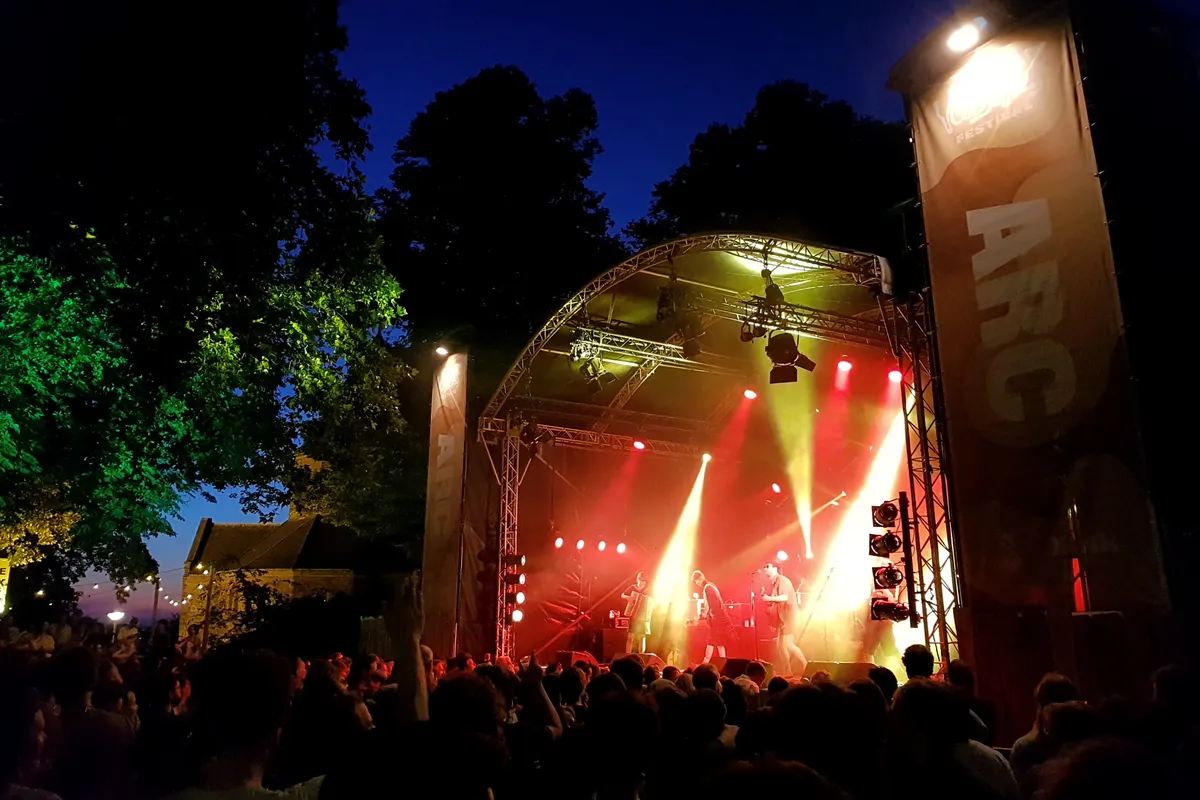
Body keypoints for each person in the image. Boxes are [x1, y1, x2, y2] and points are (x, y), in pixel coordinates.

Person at [762, 562, 807, 677]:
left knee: (788, 644)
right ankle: (788, 671)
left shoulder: (782, 580)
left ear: (775, 568)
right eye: (764, 567)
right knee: (781, 646)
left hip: (789, 617)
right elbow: (776, 604)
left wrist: (769, 598)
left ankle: (806, 666)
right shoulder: (775, 583)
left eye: (767, 566)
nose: (765, 569)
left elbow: (784, 597)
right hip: (783, 619)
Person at [691, 570, 735, 664]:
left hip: (717, 619)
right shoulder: (711, 586)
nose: (697, 583)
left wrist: (704, 616)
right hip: (720, 618)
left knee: (711, 641)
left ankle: (705, 663)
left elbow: (712, 605)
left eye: (696, 581)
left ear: (700, 578)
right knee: (719, 643)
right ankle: (722, 663)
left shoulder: (708, 588)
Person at [620, 571, 651, 653]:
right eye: (641, 580)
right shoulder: (632, 588)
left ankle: (642, 656)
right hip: (633, 614)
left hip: (643, 615)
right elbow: (622, 595)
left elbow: (653, 600)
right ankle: (628, 655)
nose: (642, 582)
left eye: (644, 581)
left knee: (642, 637)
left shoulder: (648, 590)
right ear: (637, 579)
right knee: (631, 636)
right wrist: (628, 598)